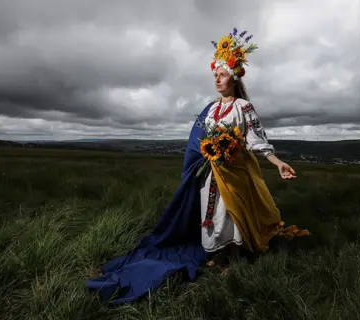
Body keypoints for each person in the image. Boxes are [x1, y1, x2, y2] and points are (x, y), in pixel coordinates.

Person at [85, 28, 309, 305]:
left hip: (234, 173)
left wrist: (277, 162)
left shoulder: (243, 107)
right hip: (210, 172)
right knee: (210, 213)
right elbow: (199, 138)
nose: (217, 80)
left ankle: (233, 258)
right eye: (215, 75)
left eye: (223, 74)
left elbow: (254, 140)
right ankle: (218, 253)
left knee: (231, 215)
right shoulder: (211, 109)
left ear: (234, 77)